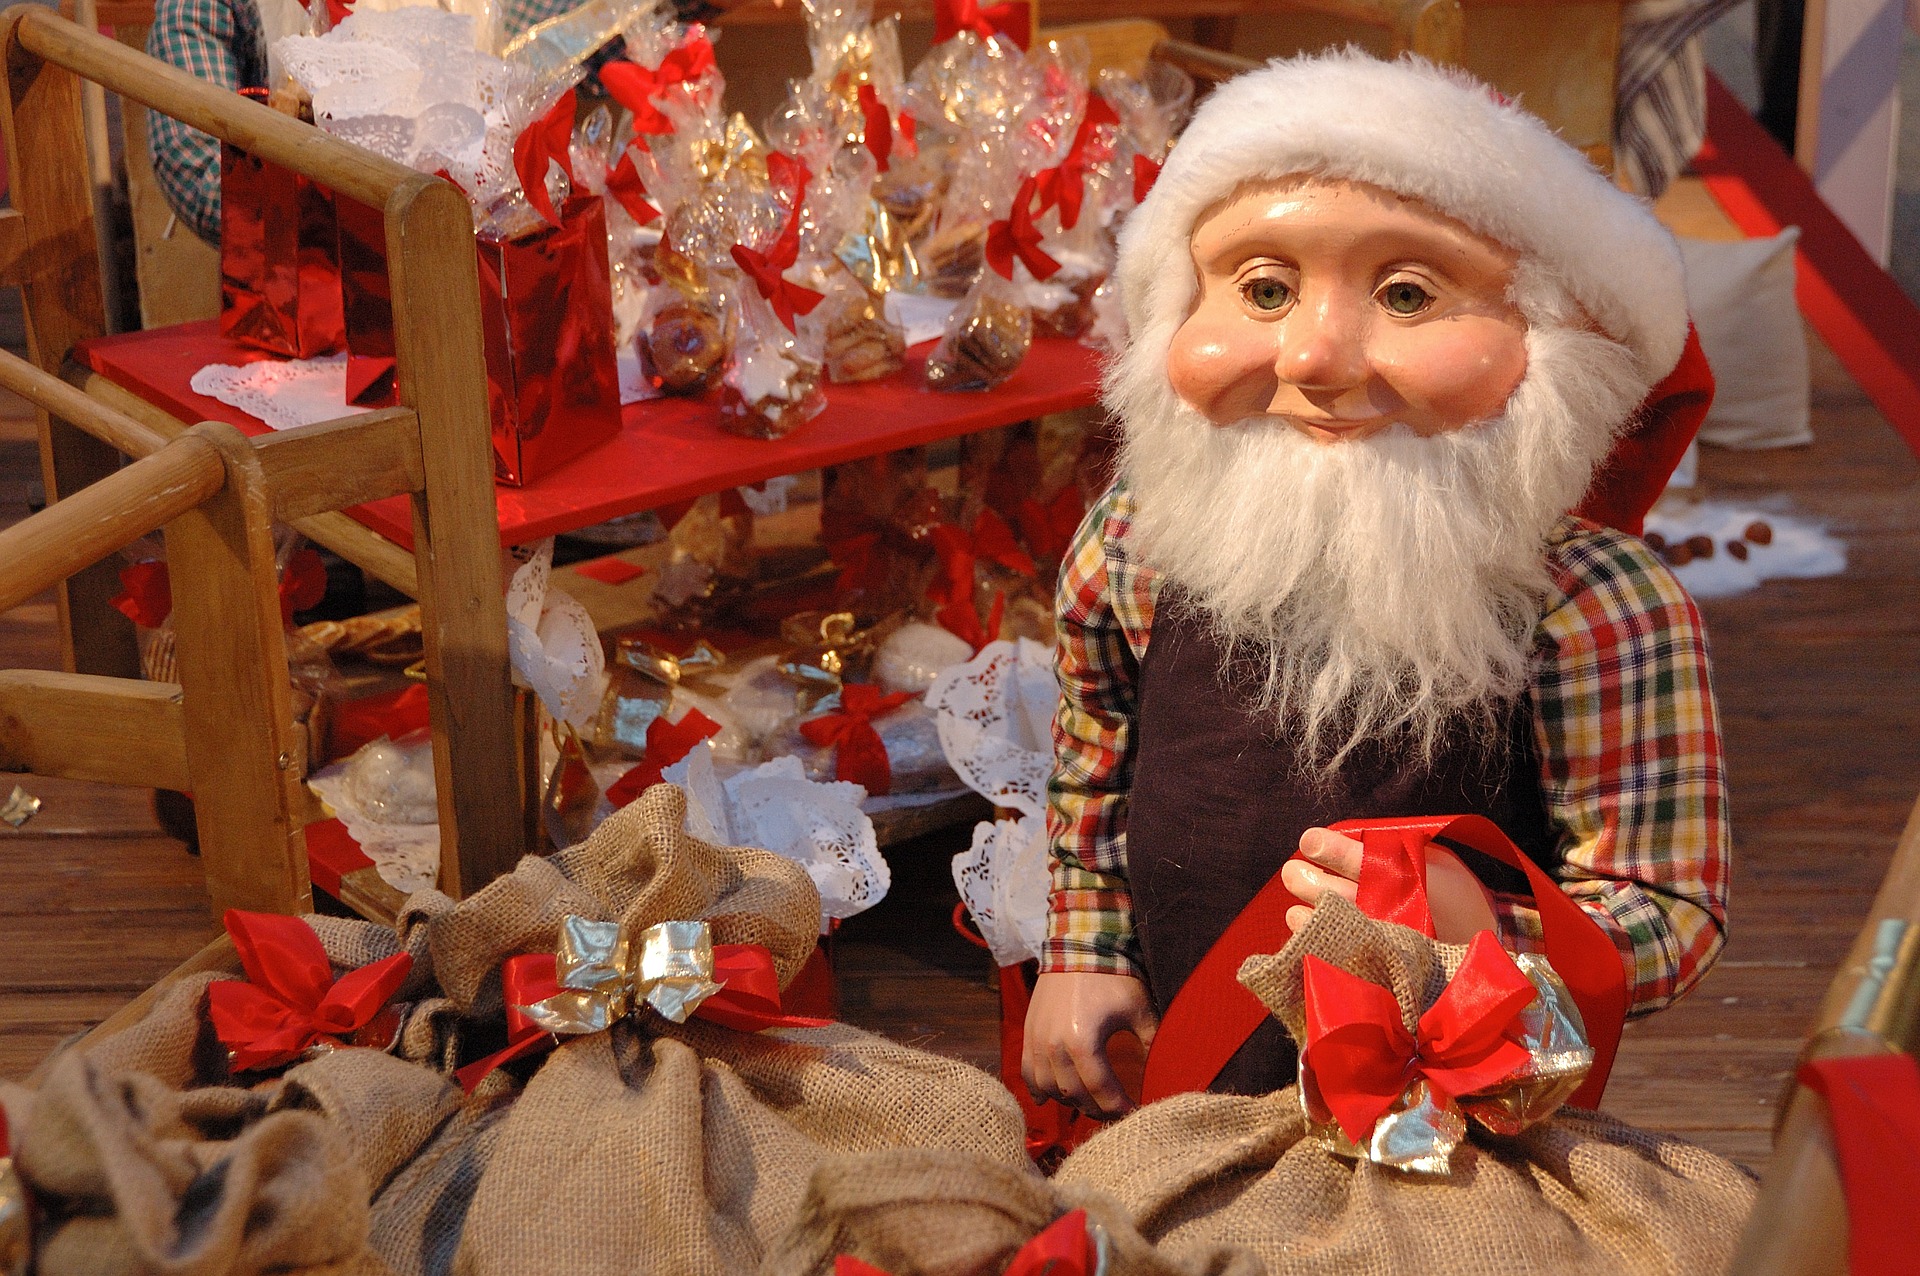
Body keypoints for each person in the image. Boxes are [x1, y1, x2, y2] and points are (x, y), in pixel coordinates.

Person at [1023, 51, 1730, 1117]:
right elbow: (1091, 773)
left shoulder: (1595, 603)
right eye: (1264, 288)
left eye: (1408, 293)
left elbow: (1667, 907)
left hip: (1462, 1120)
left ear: (1550, 344)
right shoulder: (1135, 545)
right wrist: (1084, 948)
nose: (1315, 356)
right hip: (1181, 1088)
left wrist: (1486, 925)